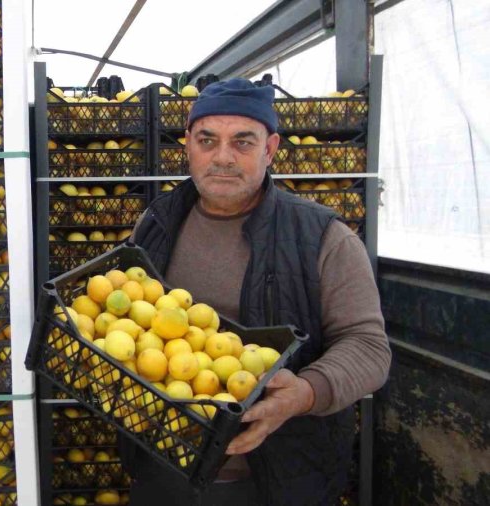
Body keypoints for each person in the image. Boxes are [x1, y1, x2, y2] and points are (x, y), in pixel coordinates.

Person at [122, 78, 392, 505]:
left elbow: (368, 347)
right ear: (187, 146)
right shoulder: (155, 223)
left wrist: (305, 393)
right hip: (162, 466)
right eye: (207, 140)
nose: (222, 157)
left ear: (270, 150)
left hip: (277, 479)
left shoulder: (323, 237)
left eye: (242, 142)